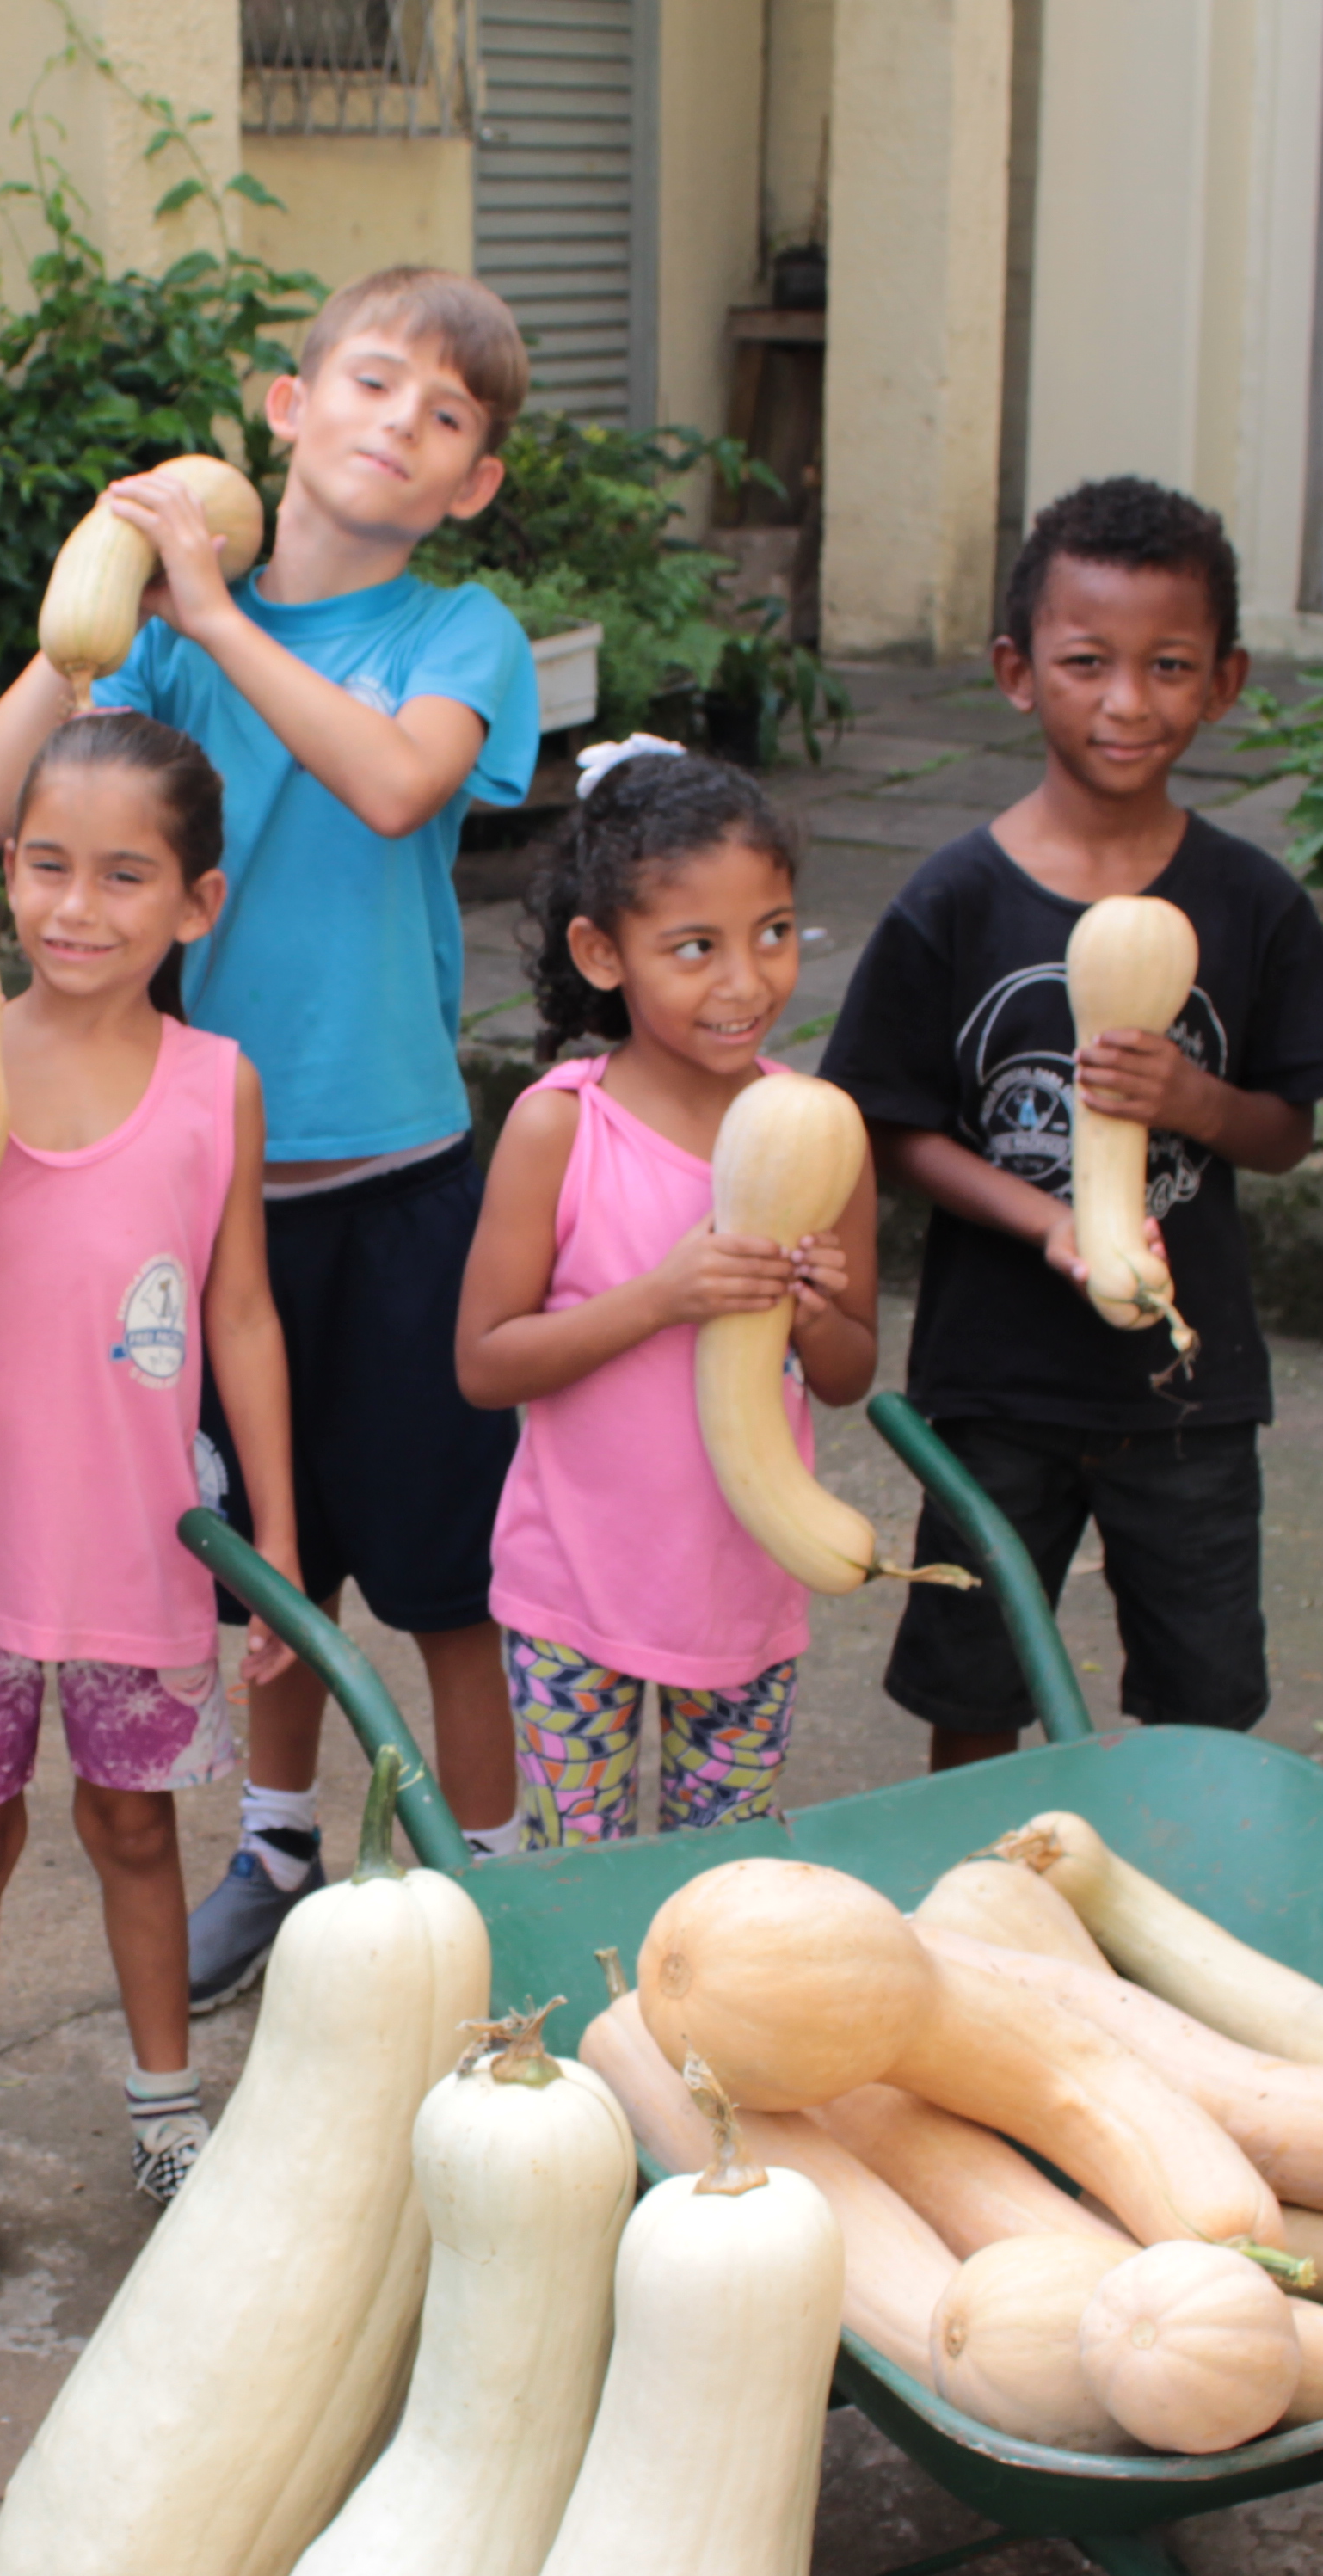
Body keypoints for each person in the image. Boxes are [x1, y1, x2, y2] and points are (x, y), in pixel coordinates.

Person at [0, 267, 544, 2010]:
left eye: (445, 419)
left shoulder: (456, 634)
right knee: (274, 1564)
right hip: (195, 1194)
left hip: (397, 1177)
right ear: (286, 409)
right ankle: (279, 1849)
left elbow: (394, 784)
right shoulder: (155, 635)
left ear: (471, 484)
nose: (397, 428)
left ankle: (492, 1883)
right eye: (367, 384)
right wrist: (103, 610)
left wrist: (213, 620)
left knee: (443, 1571)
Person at [818, 476, 1323, 1768]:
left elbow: (1287, 1131)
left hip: (1190, 1385)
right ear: (1019, 671)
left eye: (1168, 665)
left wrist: (1197, 1101)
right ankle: (981, 1908)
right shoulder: (952, 901)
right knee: (978, 1677)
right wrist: (1052, 1222)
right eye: (1087, 662)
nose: (1128, 701)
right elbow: (887, 1134)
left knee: (1201, 1698)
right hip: (994, 1376)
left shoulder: (1253, 905)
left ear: (1224, 681)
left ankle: (1177, 1900)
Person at [0, 715, 300, 2307]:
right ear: (3, 874)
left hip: (140, 1550)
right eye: (46, 865)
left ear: (195, 904)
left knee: (137, 1832)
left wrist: (280, 1543)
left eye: (125, 877)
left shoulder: (214, 1086)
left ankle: (166, 2119)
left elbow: (241, 1316)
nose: (76, 907)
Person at [454, 740, 872, 1844]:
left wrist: (820, 1313)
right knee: (572, 1878)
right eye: (695, 948)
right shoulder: (561, 1127)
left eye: (773, 933)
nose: (747, 981)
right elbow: (483, 1362)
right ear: (603, 952)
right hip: (572, 1603)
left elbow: (848, 1374)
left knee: (725, 1898)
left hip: (744, 1596)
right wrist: (661, 1296)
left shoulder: (820, 1133)